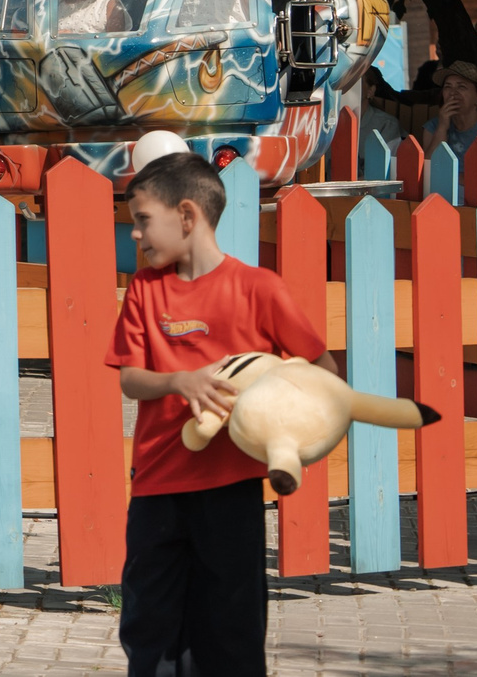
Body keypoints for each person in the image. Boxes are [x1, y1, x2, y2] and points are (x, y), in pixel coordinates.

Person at [107, 150, 336, 677]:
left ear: (187, 216)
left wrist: (289, 419)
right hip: (157, 487)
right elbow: (130, 379)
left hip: (230, 490)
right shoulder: (144, 290)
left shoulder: (260, 288)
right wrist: (177, 381)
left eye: (142, 221)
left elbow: (321, 369)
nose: (136, 236)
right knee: (149, 627)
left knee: (231, 629)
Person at [421, 57, 477, 161]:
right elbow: (429, 169)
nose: (453, 93)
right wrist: (442, 127)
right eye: (448, 87)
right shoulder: (432, 127)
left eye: (461, 87)